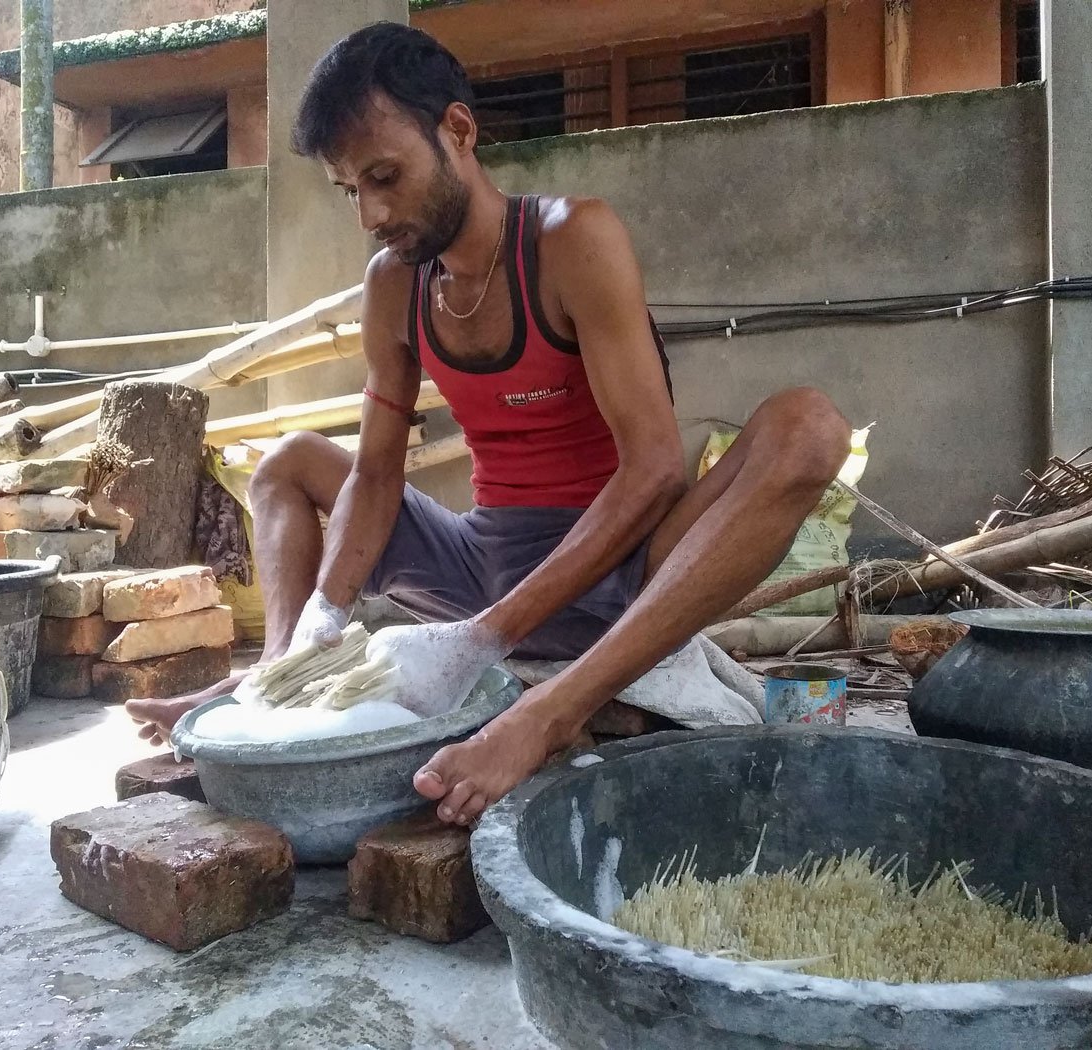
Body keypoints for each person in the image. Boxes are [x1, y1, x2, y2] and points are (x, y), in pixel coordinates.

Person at [126, 22, 850, 827]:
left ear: (459, 131)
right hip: (485, 559)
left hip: (625, 566)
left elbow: (653, 473)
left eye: (385, 176)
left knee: (808, 426)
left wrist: (483, 640)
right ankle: (268, 675)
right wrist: (317, 634)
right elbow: (373, 473)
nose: (370, 213)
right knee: (289, 462)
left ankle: (548, 710)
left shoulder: (573, 239)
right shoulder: (395, 286)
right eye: (350, 191)